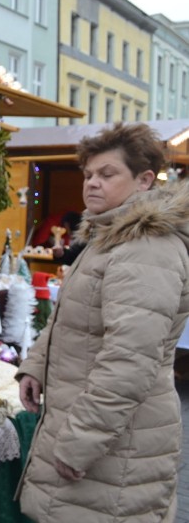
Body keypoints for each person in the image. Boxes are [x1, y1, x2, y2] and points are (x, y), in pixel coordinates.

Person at [16, 122, 189, 522]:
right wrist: (37, 366)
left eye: (107, 174)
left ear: (144, 180)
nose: (92, 183)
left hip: (118, 449)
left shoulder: (146, 248)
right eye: (88, 174)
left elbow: (130, 361)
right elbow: (72, 318)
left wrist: (79, 444)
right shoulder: (108, 237)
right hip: (95, 431)